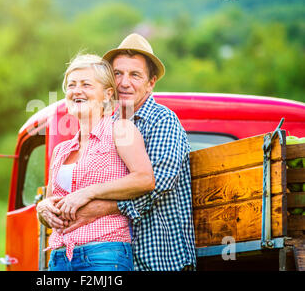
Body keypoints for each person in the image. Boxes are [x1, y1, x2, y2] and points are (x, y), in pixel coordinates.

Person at [45, 33, 197, 271]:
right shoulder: (105, 126)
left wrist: (99, 205)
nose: (124, 83)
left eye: (135, 75)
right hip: (110, 253)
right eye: (118, 74)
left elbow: (157, 182)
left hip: (158, 255)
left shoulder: (161, 119)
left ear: (151, 82)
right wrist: (44, 207)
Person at [36, 53, 155, 271]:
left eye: (86, 85)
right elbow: (53, 203)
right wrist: (42, 209)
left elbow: (145, 179)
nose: (76, 90)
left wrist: (89, 191)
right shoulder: (61, 151)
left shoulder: (120, 130)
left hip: (104, 254)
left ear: (107, 94)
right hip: (60, 258)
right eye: (71, 85)